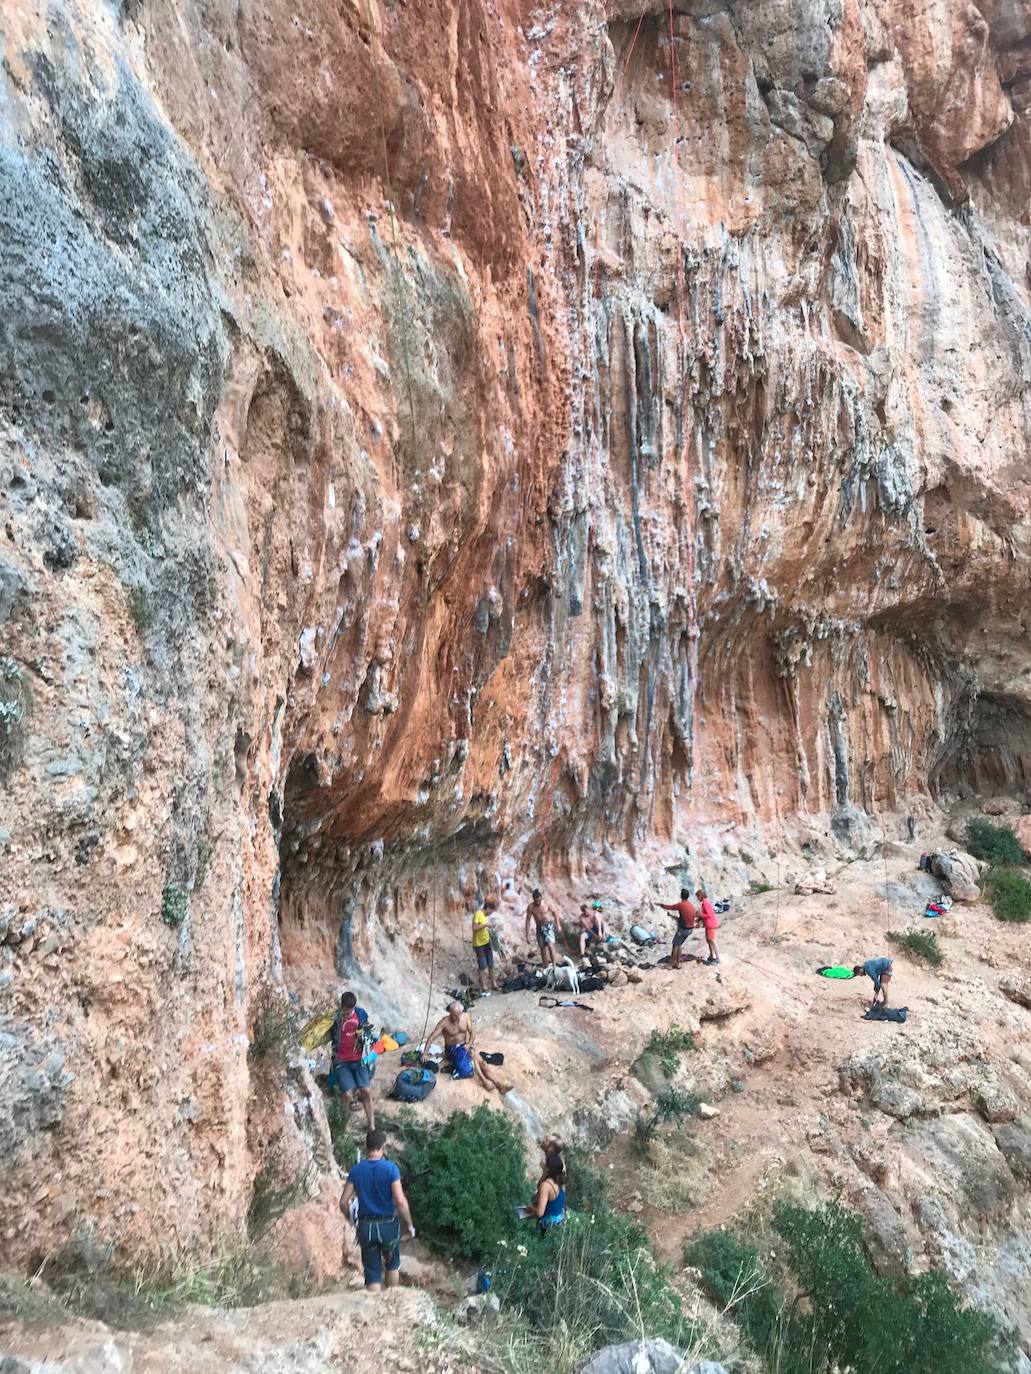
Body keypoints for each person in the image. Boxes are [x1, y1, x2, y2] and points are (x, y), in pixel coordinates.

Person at [339, 1129, 415, 1291]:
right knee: (392, 1265)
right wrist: (409, 1224)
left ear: (367, 1148)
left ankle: (375, 1309)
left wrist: (351, 1219)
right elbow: (400, 1201)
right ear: (383, 1146)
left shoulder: (356, 1170)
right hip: (388, 1224)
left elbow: (343, 1202)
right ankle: (391, 1300)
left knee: (372, 1273)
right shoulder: (390, 1169)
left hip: (366, 1226)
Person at [426, 1001, 511, 1093]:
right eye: (452, 1015)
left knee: (482, 1063)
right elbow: (431, 1037)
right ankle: (484, 1080)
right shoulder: (444, 1022)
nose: (454, 1017)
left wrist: (469, 1044)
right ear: (449, 1012)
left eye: (456, 1015)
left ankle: (498, 1084)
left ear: (461, 1013)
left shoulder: (465, 1017)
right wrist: (425, 1053)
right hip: (452, 1050)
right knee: (472, 1058)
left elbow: (473, 1033)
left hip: (464, 1045)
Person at [331, 991, 376, 1130]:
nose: (347, 1012)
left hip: (359, 1060)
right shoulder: (335, 1018)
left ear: (354, 1007)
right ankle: (342, 1124)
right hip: (342, 1061)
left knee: (366, 1091)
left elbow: (369, 1033)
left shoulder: (361, 1015)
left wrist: (368, 1046)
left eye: (350, 1009)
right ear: (341, 1006)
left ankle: (372, 1125)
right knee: (347, 1094)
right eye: (345, 1009)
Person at [655, 888, 698, 969]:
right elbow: (685, 917)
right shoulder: (691, 905)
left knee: (675, 945)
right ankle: (678, 963)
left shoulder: (681, 905)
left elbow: (670, 907)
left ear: (681, 895)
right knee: (679, 944)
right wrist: (672, 916)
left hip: (683, 929)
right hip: (690, 929)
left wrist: (661, 905)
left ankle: (670, 964)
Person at [525, 888, 565, 968]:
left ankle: (554, 965)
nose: (538, 902)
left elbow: (555, 913)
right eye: (536, 900)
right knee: (543, 948)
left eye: (539, 900)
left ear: (541, 898)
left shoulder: (546, 903)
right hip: (539, 928)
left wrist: (558, 925)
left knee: (550, 945)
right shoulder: (531, 907)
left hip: (548, 926)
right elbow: (528, 920)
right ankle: (546, 967)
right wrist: (527, 934)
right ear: (533, 899)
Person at [531, 1151, 566, 1235]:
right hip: (559, 1221)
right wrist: (544, 1173)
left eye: (545, 1160)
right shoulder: (560, 1180)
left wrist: (530, 1210)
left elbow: (540, 1212)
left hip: (547, 1226)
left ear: (548, 1168)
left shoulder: (546, 1186)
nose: (542, 1160)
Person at [471, 902, 498, 995]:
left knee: (491, 963)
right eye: (491, 912)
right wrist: (485, 925)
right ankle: (483, 985)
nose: (490, 914)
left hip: (486, 942)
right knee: (482, 965)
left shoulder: (483, 916)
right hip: (479, 944)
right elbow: (474, 927)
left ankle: (494, 983)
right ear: (488, 908)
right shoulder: (478, 914)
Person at [695, 887, 720, 965]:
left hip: (710, 924)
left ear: (701, 896)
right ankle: (711, 955)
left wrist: (700, 915)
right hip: (709, 924)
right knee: (709, 940)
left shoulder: (705, 903)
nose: (697, 899)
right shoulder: (705, 902)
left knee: (711, 940)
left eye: (698, 897)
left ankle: (717, 957)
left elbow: (709, 914)